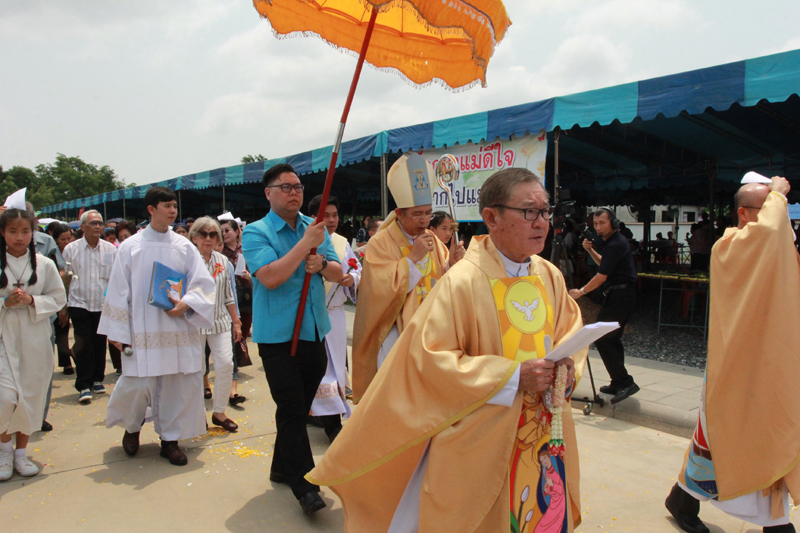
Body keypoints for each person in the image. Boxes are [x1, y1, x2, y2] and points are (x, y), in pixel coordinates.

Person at [307, 168, 586, 532]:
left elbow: (569, 331)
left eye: (545, 211)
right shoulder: (463, 281)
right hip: (484, 435)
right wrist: (513, 376)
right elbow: (431, 359)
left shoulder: (549, 275)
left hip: (544, 429)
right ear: (492, 217)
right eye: (529, 212)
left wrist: (568, 368)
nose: (542, 222)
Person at [665, 177, 799, 533]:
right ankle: (777, 524)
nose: (778, 214)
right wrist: (778, 194)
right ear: (743, 213)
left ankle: (682, 499)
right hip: (738, 368)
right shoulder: (729, 246)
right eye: (769, 206)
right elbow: (767, 233)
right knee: (736, 441)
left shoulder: (775, 244)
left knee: (750, 439)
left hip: (772, 363)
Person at [241, 163, 342, 515]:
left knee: (297, 407)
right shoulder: (256, 232)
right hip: (278, 337)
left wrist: (322, 265)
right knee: (291, 407)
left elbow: (338, 271)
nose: (294, 192)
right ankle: (305, 486)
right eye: (285, 187)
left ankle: (280, 467)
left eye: (297, 186)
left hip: (313, 331)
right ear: (268, 193)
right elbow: (270, 277)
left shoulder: (313, 227)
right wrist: (305, 247)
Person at [97, 186, 216, 466]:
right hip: (143, 329)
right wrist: (118, 332)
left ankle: (170, 440)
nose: (173, 211)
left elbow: (202, 284)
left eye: (175, 205)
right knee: (137, 384)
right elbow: (118, 290)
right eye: (167, 206)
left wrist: (186, 303)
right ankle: (132, 427)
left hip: (178, 328)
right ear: (151, 209)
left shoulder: (184, 246)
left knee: (177, 385)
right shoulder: (131, 247)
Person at [351, 154, 464, 401]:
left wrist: (452, 265)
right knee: (396, 397)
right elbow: (378, 291)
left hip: (430, 331)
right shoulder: (380, 243)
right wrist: (412, 258)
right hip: (394, 332)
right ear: (399, 213)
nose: (424, 220)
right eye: (417, 214)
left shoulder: (434, 241)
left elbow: (441, 280)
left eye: (428, 213)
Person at [0, 208, 67, 481]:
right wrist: (5, 302)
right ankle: (4, 451)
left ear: (33, 233)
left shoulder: (45, 264)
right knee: (6, 398)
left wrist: (31, 301)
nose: (19, 237)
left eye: (25, 231)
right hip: (4, 335)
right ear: (2, 232)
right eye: (13, 231)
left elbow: (58, 298)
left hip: (35, 337)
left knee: (30, 395)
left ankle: (21, 453)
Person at [569, 207, 639, 404]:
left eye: (602, 223)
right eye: (595, 224)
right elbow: (604, 263)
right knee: (610, 338)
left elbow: (601, 276)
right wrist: (590, 250)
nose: (598, 228)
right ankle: (618, 381)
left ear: (613, 223)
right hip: (618, 294)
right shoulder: (611, 244)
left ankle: (625, 382)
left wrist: (581, 292)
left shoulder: (616, 243)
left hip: (622, 294)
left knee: (602, 337)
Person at [307, 194, 362, 443]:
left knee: (335, 368)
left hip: (336, 316)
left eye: (335, 215)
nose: (331, 220)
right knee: (320, 369)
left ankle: (329, 418)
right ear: (314, 217)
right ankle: (331, 424)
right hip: (312, 316)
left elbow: (355, 267)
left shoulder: (341, 242)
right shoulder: (305, 241)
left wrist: (353, 279)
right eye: (326, 215)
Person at [189, 217, 241, 433]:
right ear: (194, 237)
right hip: (193, 323)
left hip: (220, 321)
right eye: (203, 234)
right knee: (197, 370)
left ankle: (219, 412)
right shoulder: (187, 259)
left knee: (226, 364)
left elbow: (229, 294)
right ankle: (197, 415)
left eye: (213, 234)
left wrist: (236, 321)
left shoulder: (222, 260)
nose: (208, 238)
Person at [62, 210, 117, 404]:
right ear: (83, 227)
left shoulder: (110, 250)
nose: (97, 226)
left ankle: (97, 379)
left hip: (101, 304)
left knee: (99, 343)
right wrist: (64, 305)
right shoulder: (71, 249)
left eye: (100, 223)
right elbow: (67, 277)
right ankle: (83, 384)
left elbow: (114, 278)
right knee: (83, 344)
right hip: (79, 302)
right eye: (93, 223)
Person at [220, 219, 251, 406]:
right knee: (232, 335)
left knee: (243, 330)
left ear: (237, 231)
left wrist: (249, 276)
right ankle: (233, 371)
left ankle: (237, 358)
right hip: (227, 299)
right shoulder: (220, 252)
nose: (224, 234)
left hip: (246, 293)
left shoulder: (245, 249)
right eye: (222, 231)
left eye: (227, 230)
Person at [51, 223, 75, 375]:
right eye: (62, 239)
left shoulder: (75, 250)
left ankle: (74, 352)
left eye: (69, 238)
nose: (66, 242)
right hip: (58, 297)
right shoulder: (52, 256)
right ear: (56, 240)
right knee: (61, 329)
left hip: (76, 296)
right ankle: (66, 363)